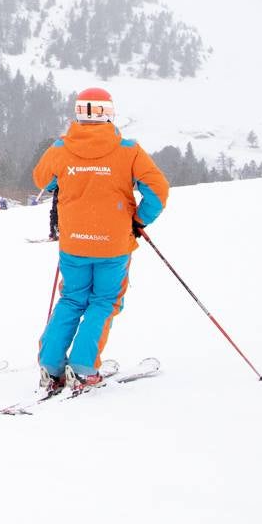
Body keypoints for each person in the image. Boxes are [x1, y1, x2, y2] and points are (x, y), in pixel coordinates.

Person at [32, 87, 170, 394]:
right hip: (113, 244)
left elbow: (42, 179)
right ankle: (82, 367)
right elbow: (158, 189)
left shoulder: (61, 148)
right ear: (109, 113)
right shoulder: (128, 149)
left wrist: (65, 174)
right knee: (104, 302)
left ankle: (51, 365)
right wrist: (139, 219)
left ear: (79, 113)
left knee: (71, 299)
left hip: (74, 243)